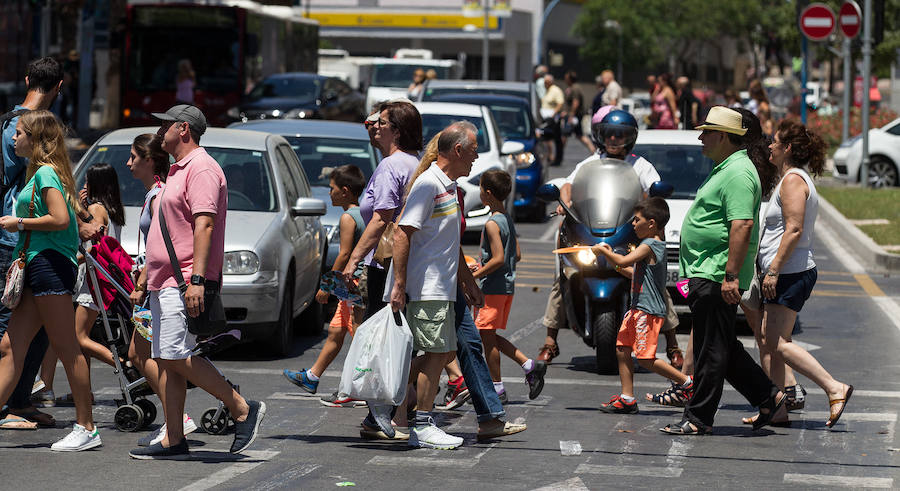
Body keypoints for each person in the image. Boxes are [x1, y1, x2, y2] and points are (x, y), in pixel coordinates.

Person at [129, 104, 265, 459]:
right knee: (168, 358)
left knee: (175, 355)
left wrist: (198, 280)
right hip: (165, 280)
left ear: (184, 129)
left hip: (184, 278)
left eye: (165, 127)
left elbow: (204, 224)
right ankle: (174, 437)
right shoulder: (177, 169)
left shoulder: (202, 168)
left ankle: (241, 407)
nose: (160, 133)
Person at [660, 106, 785, 435]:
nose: (701, 137)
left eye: (707, 132)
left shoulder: (738, 173)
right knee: (722, 346)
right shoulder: (726, 167)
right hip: (706, 273)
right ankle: (768, 396)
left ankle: (698, 418)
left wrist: (731, 276)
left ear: (725, 137)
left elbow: (742, 224)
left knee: (711, 351)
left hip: (717, 275)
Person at [538, 109, 683, 369]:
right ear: (600, 135)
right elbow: (570, 184)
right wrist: (566, 201)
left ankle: (672, 343)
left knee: (654, 284)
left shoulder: (641, 164)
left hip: (628, 234)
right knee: (564, 276)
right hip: (595, 231)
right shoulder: (590, 163)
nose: (614, 139)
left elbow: (655, 192)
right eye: (610, 134)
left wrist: (652, 199)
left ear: (631, 138)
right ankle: (550, 340)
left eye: (621, 135)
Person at [741, 120, 852, 428]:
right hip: (787, 271)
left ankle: (833, 387)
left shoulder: (792, 181)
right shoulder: (791, 178)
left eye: (774, 142)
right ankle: (777, 407)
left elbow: (794, 229)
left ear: (787, 148)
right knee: (770, 340)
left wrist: (773, 269)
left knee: (777, 343)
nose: (770, 147)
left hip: (789, 272)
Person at [0, 110, 99, 451]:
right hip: (38, 265)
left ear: (37, 138)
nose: (14, 138)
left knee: (66, 347)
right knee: (10, 346)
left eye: (20, 133)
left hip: (50, 266)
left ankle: (86, 427)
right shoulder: (41, 173)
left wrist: (19, 224)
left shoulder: (45, 173)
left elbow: (59, 219)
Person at [388, 121, 477, 450]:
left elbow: (450, 242)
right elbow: (402, 232)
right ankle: (422, 423)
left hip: (442, 287)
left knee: (443, 352)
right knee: (439, 353)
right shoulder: (429, 184)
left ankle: (386, 403)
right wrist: (399, 284)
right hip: (427, 288)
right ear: (457, 150)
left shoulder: (448, 186)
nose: (476, 157)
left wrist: (467, 282)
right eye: (473, 151)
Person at [342, 100, 421, 438]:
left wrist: (352, 259)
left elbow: (380, 219)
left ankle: (383, 412)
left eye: (381, 122)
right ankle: (401, 406)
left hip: (384, 264)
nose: (373, 125)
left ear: (397, 131)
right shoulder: (412, 162)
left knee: (381, 340)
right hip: (405, 262)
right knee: (398, 338)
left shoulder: (391, 166)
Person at [124, 133, 199, 447]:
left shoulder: (158, 196)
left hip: (157, 284)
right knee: (145, 354)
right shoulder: (154, 193)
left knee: (157, 355)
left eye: (133, 157)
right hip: (154, 282)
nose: (129, 164)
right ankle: (176, 420)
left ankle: (178, 419)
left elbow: (162, 245)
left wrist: (140, 285)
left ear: (149, 159)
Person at [0, 57, 62, 432]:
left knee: (38, 329)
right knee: (10, 327)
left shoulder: (30, 124)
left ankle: (19, 400)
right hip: (14, 238)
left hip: (35, 238)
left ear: (27, 79)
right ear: (59, 87)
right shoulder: (15, 127)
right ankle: (8, 403)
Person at [34, 162, 125, 404]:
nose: (83, 185)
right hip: (102, 280)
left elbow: (94, 249)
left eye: (87, 181)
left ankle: (127, 365)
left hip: (93, 281)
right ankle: (80, 392)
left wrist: (70, 257)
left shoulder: (96, 208)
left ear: (96, 183)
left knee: (77, 338)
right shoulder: (113, 208)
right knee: (82, 338)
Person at [592, 198, 693, 413]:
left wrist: (604, 252)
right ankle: (627, 398)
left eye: (637, 220)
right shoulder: (650, 246)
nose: (633, 224)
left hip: (647, 311)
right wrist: (612, 256)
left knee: (646, 359)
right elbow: (630, 271)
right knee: (622, 349)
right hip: (637, 309)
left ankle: (686, 383)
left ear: (652, 224)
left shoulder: (650, 245)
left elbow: (624, 262)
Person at [283, 165, 367, 397]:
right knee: (335, 332)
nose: (329, 193)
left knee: (360, 339)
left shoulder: (349, 218)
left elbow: (344, 254)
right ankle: (312, 377)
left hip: (354, 287)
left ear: (345, 191)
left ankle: (359, 388)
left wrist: (326, 287)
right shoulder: (362, 214)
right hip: (352, 288)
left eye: (332, 189)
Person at [471, 169, 547, 402]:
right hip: (504, 287)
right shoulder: (506, 219)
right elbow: (517, 254)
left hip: (492, 288)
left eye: (481, 188)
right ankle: (528, 365)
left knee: (486, 338)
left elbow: (499, 258)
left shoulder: (493, 223)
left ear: (489, 194)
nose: (480, 192)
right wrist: (483, 264)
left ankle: (498, 387)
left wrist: (477, 274)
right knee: (489, 336)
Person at [561, 71, 596, 155]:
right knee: (577, 135)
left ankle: (560, 153)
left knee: (566, 134)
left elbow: (575, 103)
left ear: (570, 79)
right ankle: (593, 150)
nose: (565, 80)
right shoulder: (572, 88)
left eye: (566, 78)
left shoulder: (575, 88)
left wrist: (571, 115)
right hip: (572, 115)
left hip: (573, 116)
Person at [541, 74, 566, 166]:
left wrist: (553, 114)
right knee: (547, 138)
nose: (544, 84)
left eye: (546, 82)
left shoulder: (556, 90)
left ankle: (557, 159)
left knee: (556, 138)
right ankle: (550, 157)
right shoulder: (547, 90)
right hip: (547, 117)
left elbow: (560, 103)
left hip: (553, 119)